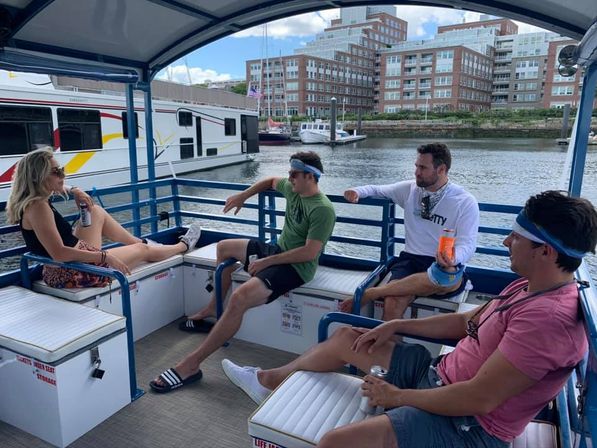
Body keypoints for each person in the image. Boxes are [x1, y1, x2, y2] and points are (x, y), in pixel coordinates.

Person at [222, 190, 597, 448]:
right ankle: (266, 381)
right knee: (347, 338)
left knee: (336, 443)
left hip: (468, 426)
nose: (505, 244)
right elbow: (463, 326)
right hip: (441, 375)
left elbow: (481, 398)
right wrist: (396, 325)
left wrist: (396, 396)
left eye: (516, 238)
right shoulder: (526, 287)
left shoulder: (548, 322)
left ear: (545, 252)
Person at [150, 151, 336, 393]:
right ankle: (213, 308)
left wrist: (268, 263)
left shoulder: (323, 209)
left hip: (296, 267)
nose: (289, 178)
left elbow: (309, 253)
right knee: (224, 247)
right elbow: (269, 181)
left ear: (311, 177)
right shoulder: (293, 190)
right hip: (278, 250)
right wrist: (243, 196)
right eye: (289, 173)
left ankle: (191, 364)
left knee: (239, 298)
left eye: (294, 174)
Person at [7, 147, 201, 288]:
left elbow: (62, 187)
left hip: (69, 262)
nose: (63, 175)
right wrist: (105, 256)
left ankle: (141, 242)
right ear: (37, 176)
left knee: (95, 211)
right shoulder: (39, 207)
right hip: (73, 271)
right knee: (142, 251)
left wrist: (75, 191)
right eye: (57, 172)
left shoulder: (34, 200)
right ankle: (183, 245)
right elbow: (59, 254)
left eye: (62, 170)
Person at [341, 142, 479, 320]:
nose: (416, 172)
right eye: (416, 166)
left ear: (441, 169)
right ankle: (390, 345)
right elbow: (377, 189)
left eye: (423, 167)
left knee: (442, 277)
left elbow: (468, 244)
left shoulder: (464, 201)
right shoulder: (410, 189)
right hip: (411, 260)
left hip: (443, 264)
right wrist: (356, 191)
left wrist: (454, 257)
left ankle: (373, 293)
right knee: (393, 301)